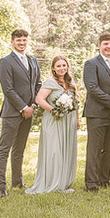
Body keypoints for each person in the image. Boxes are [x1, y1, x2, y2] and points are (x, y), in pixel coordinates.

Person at [0, 29, 42, 197]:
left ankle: (18, 182)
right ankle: (1, 187)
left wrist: (32, 106)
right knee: (4, 149)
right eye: (18, 40)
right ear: (12, 42)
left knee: (19, 149)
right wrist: (23, 107)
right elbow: (8, 89)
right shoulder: (5, 62)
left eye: (24, 40)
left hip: (29, 111)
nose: (22, 43)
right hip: (12, 112)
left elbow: (38, 85)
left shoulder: (33, 60)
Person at [26, 55, 78, 194]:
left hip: (69, 121)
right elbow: (39, 99)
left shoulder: (71, 81)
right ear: (53, 69)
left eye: (64, 65)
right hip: (54, 120)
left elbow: (75, 102)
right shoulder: (50, 82)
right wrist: (54, 110)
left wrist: (77, 120)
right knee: (54, 151)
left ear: (67, 66)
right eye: (59, 66)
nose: (62, 68)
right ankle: (51, 183)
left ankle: (63, 182)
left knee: (66, 150)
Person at [83, 32, 110, 192]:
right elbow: (92, 87)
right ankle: (91, 183)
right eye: (105, 44)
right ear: (99, 45)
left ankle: (104, 179)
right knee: (95, 148)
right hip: (97, 112)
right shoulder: (91, 64)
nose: (109, 47)